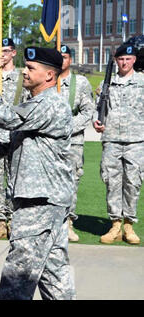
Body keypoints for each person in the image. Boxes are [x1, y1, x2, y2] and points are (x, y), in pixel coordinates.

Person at [0, 47, 76, 300]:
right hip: (46, 201)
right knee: (53, 276)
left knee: (17, 277)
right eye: (26, 65)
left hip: (39, 202)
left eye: (32, 68)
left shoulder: (50, 103)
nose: (25, 70)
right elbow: (10, 138)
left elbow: (10, 119)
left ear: (49, 75)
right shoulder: (34, 105)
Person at [93, 44, 144, 245]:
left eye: (128, 59)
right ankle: (115, 224)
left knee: (133, 182)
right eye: (120, 59)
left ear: (134, 60)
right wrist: (95, 121)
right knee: (112, 182)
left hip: (136, 141)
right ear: (116, 61)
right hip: (111, 140)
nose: (124, 62)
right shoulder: (107, 84)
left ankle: (129, 225)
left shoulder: (142, 82)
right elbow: (96, 108)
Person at [0, 38, 29, 240]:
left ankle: (14, 220)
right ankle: (0, 221)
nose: (2, 55)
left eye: (6, 51)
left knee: (15, 180)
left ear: (13, 53)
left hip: (16, 136)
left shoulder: (23, 77)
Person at [59, 44, 96, 242]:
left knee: (71, 183)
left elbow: (88, 111)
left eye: (65, 57)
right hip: (49, 143)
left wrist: (67, 127)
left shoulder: (79, 82)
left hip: (72, 142)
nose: (61, 60)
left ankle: (68, 223)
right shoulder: (47, 80)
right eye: (58, 57)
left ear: (70, 60)